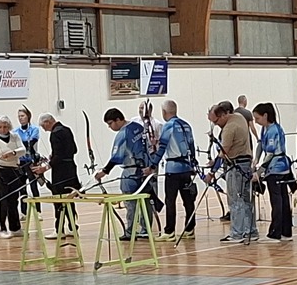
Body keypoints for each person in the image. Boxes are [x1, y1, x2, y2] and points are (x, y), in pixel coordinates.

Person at [95, 108, 157, 241]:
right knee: (145, 200)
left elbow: (116, 157)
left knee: (130, 202)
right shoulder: (138, 127)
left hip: (131, 173)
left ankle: (130, 231)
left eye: (110, 123)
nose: (110, 127)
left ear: (118, 120)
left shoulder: (123, 133)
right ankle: (145, 229)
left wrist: (104, 172)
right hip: (145, 171)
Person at [212, 100, 257, 244]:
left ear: (223, 115)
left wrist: (212, 172)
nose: (216, 125)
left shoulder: (229, 128)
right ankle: (250, 231)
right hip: (245, 164)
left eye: (216, 121)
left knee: (235, 200)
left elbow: (223, 153)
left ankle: (237, 233)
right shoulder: (239, 117)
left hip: (236, 166)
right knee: (246, 199)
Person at [156, 100, 198, 241]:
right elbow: (191, 145)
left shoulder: (169, 126)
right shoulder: (186, 125)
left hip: (173, 169)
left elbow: (162, 147)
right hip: (187, 168)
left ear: (164, 112)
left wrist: (152, 165)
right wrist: (193, 163)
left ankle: (169, 232)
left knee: (170, 200)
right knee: (188, 200)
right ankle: (190, 229)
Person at [253, 102, 294, 242]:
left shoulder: (274, 130)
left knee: (278, 200)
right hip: (275, 167)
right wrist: (256, 159)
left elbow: (270, 153)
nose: (256, 121)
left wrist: (259, 171)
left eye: (258, 118)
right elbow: (260, 144)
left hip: (277, 167)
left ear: (265, 115)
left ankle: (276, 233)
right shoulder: (265, 129)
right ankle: (285, 232)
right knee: (281, 199)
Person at [36, 114, 81, 240]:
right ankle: (72, 228)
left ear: (47, 122)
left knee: (59, 200)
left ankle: (59, 230)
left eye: (43, 126)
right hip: (71, 169)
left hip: (60, 173)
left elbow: (59, 156)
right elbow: (74, 150)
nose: (44, 129)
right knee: (69, 199)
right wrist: (55, 155)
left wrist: (45, 167)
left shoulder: (55, 133)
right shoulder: (67, 129)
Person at [0, 115, 25, 238]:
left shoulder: (15, 136)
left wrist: (13, 153)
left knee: (13, 200)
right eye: (0, 127)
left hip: (14, 170)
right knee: (1, 200)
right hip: (0, 171)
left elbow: (23, 150)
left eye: (5, 127)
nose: (3, 129)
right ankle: (0, 228)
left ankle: (15, 227)